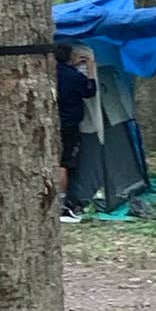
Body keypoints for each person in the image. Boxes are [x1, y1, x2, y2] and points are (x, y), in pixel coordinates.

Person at [55, 43, 96, 217]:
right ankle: (61, 202)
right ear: (70, 57)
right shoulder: (75, 76)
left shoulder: (46, 73)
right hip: (69, 125)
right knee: (64, 163)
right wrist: (90, 68)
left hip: (50, 123)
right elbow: (89, 91)